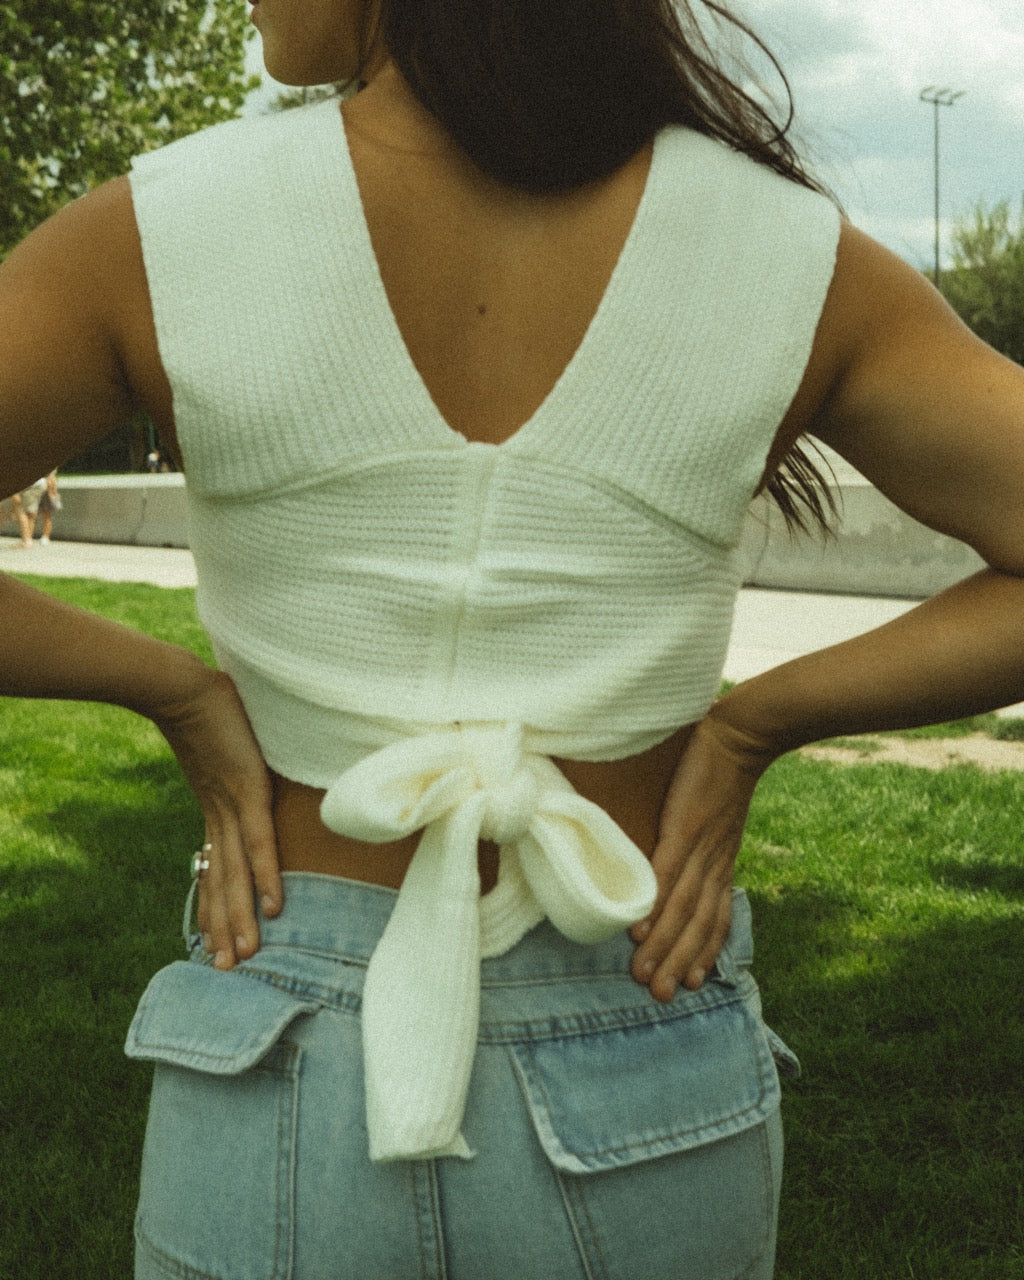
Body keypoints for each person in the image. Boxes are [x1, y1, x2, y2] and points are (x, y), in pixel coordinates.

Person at [2, 2, 1023, 1277]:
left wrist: (170, 687)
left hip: (274, 1047)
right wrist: (755, 721)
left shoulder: (159, 230)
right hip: (642, 1005)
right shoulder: (783, 250)